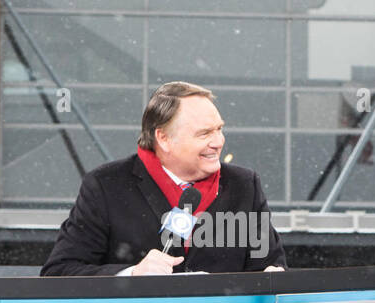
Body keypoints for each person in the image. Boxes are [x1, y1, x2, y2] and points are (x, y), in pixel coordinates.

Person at [41, 81, 286, 276]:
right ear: (164, 138)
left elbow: (270, 267)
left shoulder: (244, 186)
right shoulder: (106, 186)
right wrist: (132, 274)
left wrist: (273, 277)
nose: (218, 142)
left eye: (219, 129)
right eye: (204, 133)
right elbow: (60, 273)